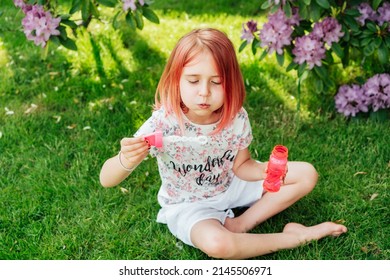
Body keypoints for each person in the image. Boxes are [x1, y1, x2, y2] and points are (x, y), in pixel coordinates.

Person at [99, 28, 347, 259]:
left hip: (231, 184)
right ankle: (293, 237)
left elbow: (242, 166)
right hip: (189, 205)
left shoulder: (235, 116)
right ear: (176, 80)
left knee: (306, 173)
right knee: (219, 244)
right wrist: (125, 160)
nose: (204, 92)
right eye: (193, 81)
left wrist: (263, 171)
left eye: (216, 82)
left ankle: (241, 224)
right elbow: (106, 179)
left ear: (231, 82)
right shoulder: (163, 123)